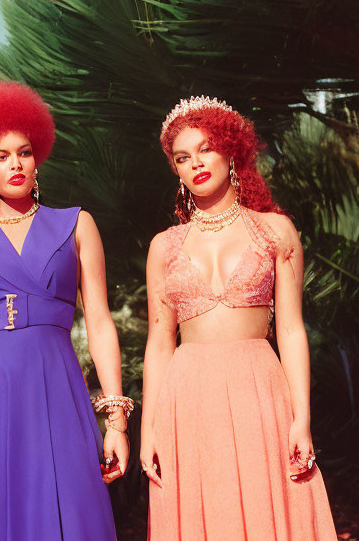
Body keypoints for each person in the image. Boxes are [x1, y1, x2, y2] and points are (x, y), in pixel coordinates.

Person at [0, 81, 130, 541]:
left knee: (71, 511)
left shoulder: (76, 224)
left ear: (37, 155)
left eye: (23, 152)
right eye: (1, 155)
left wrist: (116, 419)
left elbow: (98, 321)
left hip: (55, 386)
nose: (15, 164)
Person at [141, 96, 337, 539]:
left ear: (231, 149)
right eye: (183, 157)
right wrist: (147, 429)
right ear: (175, 169)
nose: (196, 163)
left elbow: (289, 329)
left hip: (259, 393)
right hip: (186, 400)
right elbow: (158, 342)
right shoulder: (163, 246)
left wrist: (301, 417)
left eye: (206, 147)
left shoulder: (275, 230)